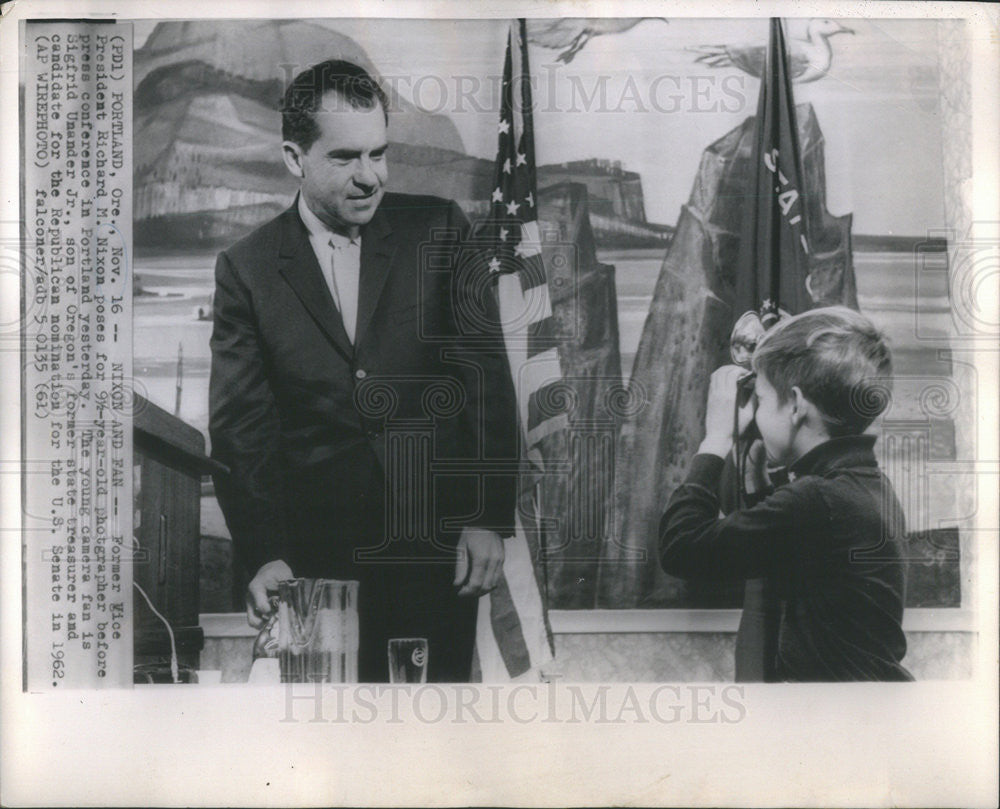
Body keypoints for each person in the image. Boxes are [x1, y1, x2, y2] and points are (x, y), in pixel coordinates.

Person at [209, 60, 518, 682]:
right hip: (313, 562)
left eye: (380, 153)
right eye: (346, 157)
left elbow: (485, 379)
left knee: (432, 741)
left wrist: (487, 516)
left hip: (436, 549)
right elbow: (242, 427)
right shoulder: (246, 268)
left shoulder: (441, 230)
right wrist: (263, 555)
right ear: (295, 158)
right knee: (328, 748)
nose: (370, 177)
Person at [659, 306, 913, 681]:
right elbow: (786, 558)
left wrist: (715, 439)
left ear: (795, 405)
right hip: (863, 713)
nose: (756, 415)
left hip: (842, 722)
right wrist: (760, 484)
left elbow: (681, 548)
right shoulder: (861, 484)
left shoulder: (818, 500)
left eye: (760, 399)